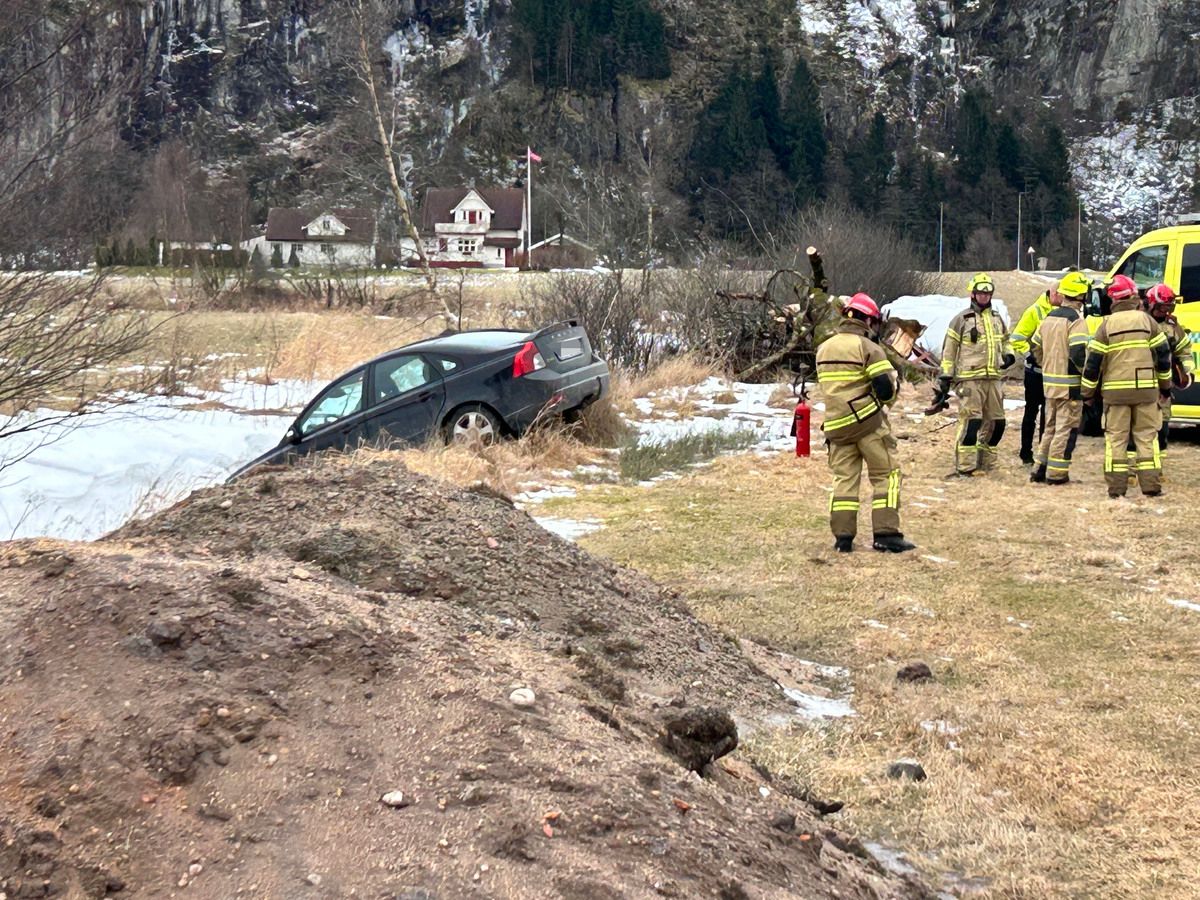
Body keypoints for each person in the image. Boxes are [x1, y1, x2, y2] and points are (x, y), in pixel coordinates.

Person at [815, 293, 914, 553]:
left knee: (845, 480)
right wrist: (892, 392)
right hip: (868, 424)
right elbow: (883, 387)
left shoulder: (824, 347)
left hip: (836, 427)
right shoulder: (868, 347)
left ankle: (843, 538)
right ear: (868, 320)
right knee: (887, 475)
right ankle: (886, 534)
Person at [1080, 274, 1173, 498]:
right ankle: (1151, 486)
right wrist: (1165, 386)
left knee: (1116, 440)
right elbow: (1163, 356)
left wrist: (1087, 394)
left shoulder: (1106, 325)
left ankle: (1116, 489)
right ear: (1133, 295)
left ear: (1112, 299)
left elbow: (1092, 364)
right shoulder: (1147, 321)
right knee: (1146, 437)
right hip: (1146, 391)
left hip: (1115, 393)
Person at [934, 272, 1015, 475]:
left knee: (997, 423)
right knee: (972, 423)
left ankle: (987, 462)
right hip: (969, 380)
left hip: (993, 378)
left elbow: (1006, 339)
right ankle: (966, 466)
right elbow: (949, 350)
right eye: (980, 293)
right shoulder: (961, 319)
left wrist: (1009, 354)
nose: (984, 297)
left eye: (988, 294)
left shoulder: (997, 318)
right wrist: (945, 375)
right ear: (973, 294)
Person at [1029, 272, 1091, 484]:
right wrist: (1088, 376)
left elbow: (1035, 346)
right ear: (1081, 296)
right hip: (1070, 386)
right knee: (1066, 430)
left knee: (1050, 428)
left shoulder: (1048, 317)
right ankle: (1056, 474)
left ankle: (1039, 469)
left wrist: (1045, 365)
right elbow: (1078, 354)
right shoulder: (1076, 321)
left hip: (1050, 385)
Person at [1144, 283, 1195, 461]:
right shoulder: (1140, 321)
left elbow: (1184, 349)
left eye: (1168, 307)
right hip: (1141, 381)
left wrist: (1187, 369)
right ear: (1151, 304)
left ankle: (1158, 463)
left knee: (1163, 424)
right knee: (1140, 426)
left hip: (1163, 382)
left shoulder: (1172, 325)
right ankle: (1137, 465)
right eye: (1161, 307)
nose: (1164, 312)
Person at [1010, 285, 1055, 464]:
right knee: (1031, 412)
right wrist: (1031, 356)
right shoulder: (1035, 311)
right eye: (1060, 293)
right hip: (1035, 373)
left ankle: (1043, 453)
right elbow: (1017, 338)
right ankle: (1025, 452)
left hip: (1053, 373)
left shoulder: (1065, 311)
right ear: (1052, 294)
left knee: (1049, 413)